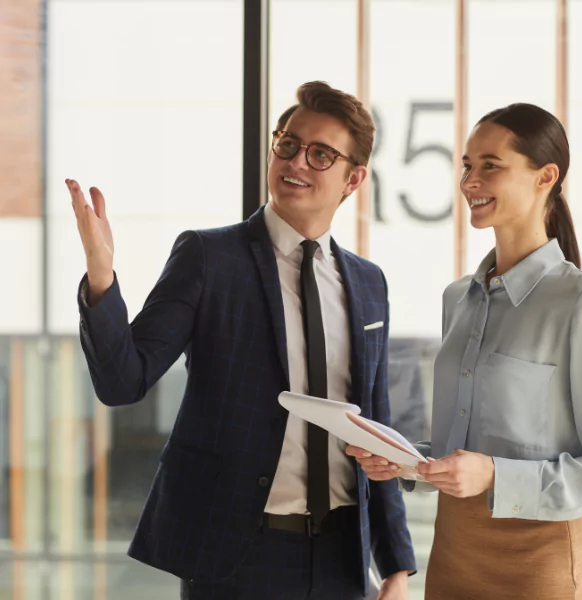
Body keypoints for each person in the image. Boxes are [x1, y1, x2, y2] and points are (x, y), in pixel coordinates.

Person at [67, 81, 416, 600]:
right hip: (238, 557)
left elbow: (376, 428)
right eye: (288, 144)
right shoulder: (209, 258)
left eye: (321, 154)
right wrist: (101, 278)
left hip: (344, 558)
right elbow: (124, 380)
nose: (297, 162)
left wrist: (396, 565)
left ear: (353, 179)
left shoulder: (368, 282)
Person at [347, 102, 582, 599]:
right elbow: (459, 449)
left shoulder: (581, 301)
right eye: (466, 165)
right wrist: (405, 462)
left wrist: (493, 475)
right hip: (453, 553)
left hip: (538, 560)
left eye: (490, 166)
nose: (469, 181)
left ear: (545, 176)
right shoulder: (457, 298)